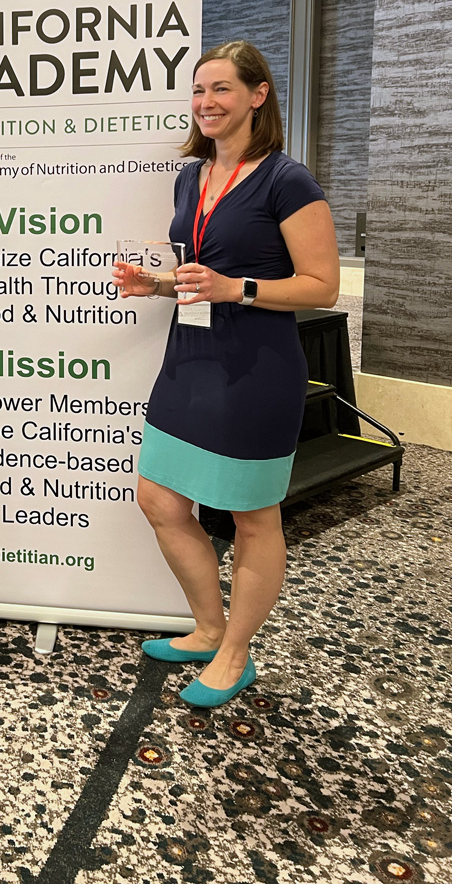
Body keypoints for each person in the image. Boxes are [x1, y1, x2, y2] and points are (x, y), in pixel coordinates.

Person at [113, 40, 339, 708]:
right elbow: (197, 276)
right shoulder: (191, 176)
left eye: (222, 90)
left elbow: (321, 285)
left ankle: (237, 653)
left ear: (257, 95)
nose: (206, 104)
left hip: (256, 369)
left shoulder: (286, 179)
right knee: (158, 498)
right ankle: (208, 628)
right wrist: (155, 284)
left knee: (252, 516)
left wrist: (236, 287)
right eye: (198, 91)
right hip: (189, 360)